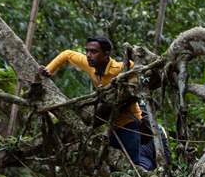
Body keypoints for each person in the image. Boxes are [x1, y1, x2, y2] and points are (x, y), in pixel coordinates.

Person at [39, 37, 143, 165]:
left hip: (130, 122)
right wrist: (49, 69)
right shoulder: (90, 64)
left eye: (94, 52)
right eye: (87, 51)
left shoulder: (118, 69)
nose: (88, 55)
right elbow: (67, 54)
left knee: (133, 163)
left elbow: (137, 68)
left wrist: (133, 84)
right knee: (114, 163)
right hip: (111, 124)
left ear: (106, 54)